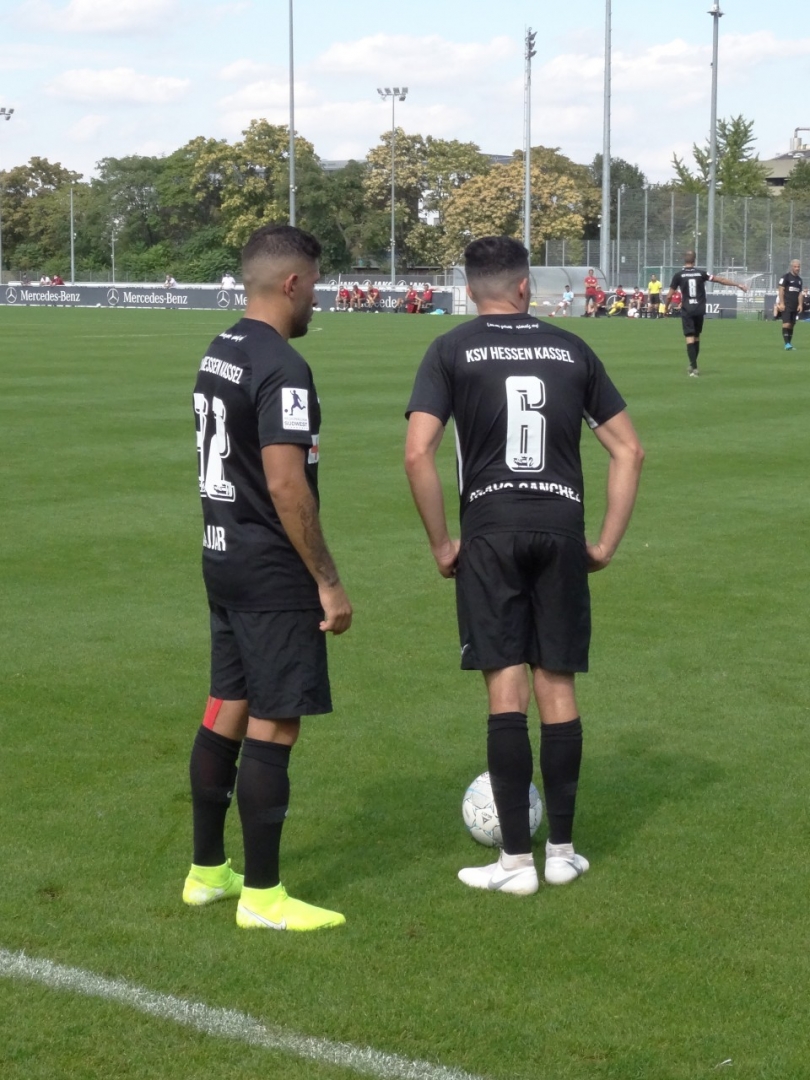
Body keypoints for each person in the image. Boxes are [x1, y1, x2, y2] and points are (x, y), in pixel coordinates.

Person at [404, 236, 644, 896]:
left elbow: (418, 453)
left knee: (505, 688)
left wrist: (442, 544)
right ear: (524, 287)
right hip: (562, 527)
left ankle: (515, 864)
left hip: (491, 531)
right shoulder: (572, 348)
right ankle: (561, 852)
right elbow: (630, 451)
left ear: (469, 289)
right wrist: (605, 543)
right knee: (557, 685)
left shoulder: (451, 348)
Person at [185, 223, 352, 932]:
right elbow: (286, 484)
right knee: (276, 722)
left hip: (221, 552)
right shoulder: (283, 365)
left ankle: (206, 873)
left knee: (227, 702)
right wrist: (328, 580)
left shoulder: (220, 347)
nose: (318, 297)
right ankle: (262, 896)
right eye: (315, 284)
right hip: (269, 567)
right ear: (291, 283)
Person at [666, 252, 748, 376]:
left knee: (689, 337)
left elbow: (669, 295)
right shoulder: (701, 273)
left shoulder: (679, 275)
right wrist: (737, 284)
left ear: (684, 261)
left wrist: (666, 308)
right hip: (699, 309)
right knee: (697, 336)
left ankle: (694, 367)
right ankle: (693, 365)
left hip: (687, 309)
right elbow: (720, 280)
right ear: (694, 261)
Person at [776, 260, 803, 350]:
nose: (797, 268)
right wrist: (782, 303)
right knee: (786, 324)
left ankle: (789, 344)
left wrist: (800, 304)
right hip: (786, 304)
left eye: (798, 267)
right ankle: (787, 344)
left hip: (795, 305)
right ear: (792, 267)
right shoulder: (786, 277)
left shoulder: (799, 280)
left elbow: (800, 293)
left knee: (792, 324)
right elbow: (781, 290)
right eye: (795, 267)